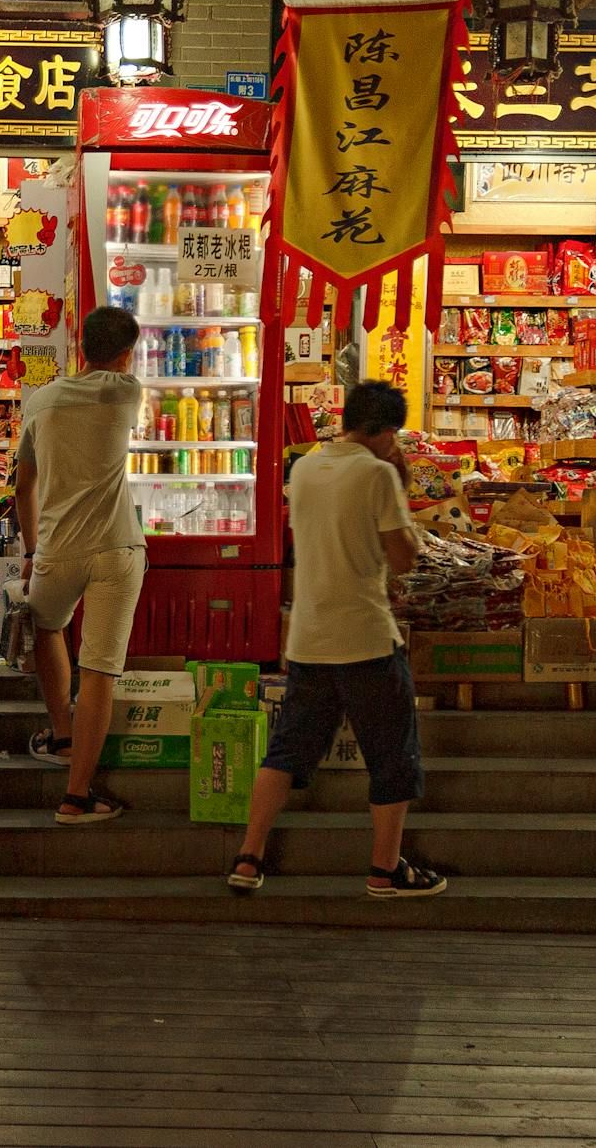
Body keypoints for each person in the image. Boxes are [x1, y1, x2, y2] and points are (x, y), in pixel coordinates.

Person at [225, 381, 445, 899]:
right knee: (392, 755)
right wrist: (400, 484)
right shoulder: (376, 473)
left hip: (307, 639)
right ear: (389, 432)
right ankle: (385, 870)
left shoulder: (304, 468)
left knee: (287, 751)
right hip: (366, 638)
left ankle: (248, 856)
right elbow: (404, 557)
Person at [18, 306, 147, 825]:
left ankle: (63, 734)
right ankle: (77, 796)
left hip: (56, 548)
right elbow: (114, 375)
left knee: (48, 627)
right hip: (117, 548)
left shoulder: (41, 402)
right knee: (99, 668)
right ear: (124, 355)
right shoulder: (127, 392)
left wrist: (30, 553)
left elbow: (23, 486)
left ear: (80, 348)